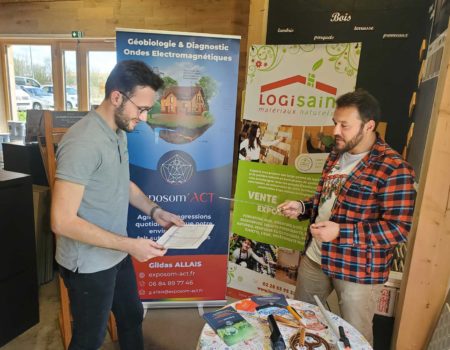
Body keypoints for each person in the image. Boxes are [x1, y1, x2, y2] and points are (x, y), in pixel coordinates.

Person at [51, 60, 184, 350]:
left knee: (131, 315)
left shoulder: (118, 131)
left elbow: (121, 183)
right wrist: (129, 245)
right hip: (87, 263)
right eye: (142, 108)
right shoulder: (83, 142)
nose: (145, 118)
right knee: (90, 339)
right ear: (116, 97)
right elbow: (61, 221)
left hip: (115, 251)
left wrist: (156, 211)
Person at [277, 89, 416, 345]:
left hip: (358, 270)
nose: (335, 131)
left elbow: (398, 229)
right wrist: (302, 207)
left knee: (355, 337)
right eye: (335, 123)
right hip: (316, 257)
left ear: (369, 125)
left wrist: (341, 232)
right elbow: (329, 201)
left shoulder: (394, 168)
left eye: (344, 125)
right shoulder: (336, 154)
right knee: (300, 322)